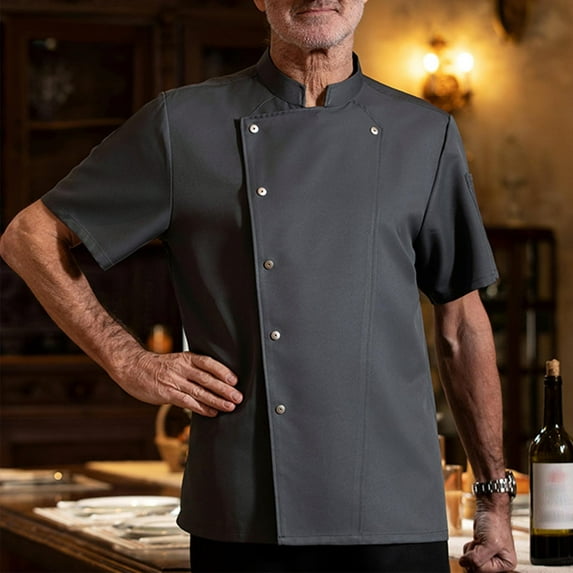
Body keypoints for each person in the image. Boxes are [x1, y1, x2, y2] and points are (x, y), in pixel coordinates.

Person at [0, 0, 517, 571]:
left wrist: (494, 502)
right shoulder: (183, 124)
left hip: (396, 505)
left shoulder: (425, 134)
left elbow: (462, 327)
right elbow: (29, 237)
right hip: (245, 509)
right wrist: (128, 360)